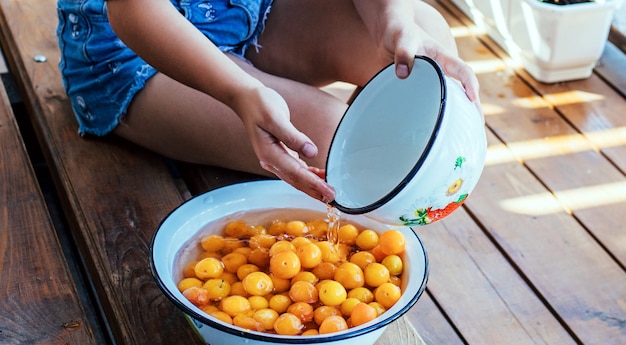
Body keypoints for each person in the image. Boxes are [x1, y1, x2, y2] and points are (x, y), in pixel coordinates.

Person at [56, 0, 480, 202]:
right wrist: (241, 92)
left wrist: (392, 21)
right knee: (340, 146)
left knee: (424, 34)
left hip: (249, 12)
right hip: (138, 55)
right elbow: (134, 11)